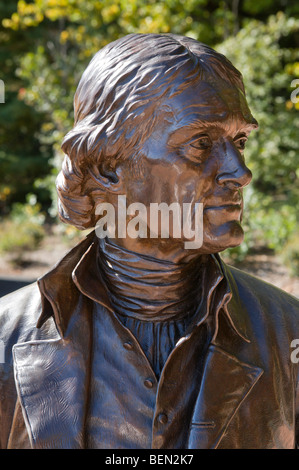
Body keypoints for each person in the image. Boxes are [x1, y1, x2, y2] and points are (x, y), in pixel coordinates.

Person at [0, 33, 299, 449]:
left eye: (240, 141)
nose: (240, 171)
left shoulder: (288, 333)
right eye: (200, 143)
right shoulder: (5, 338)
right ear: (107, 166)